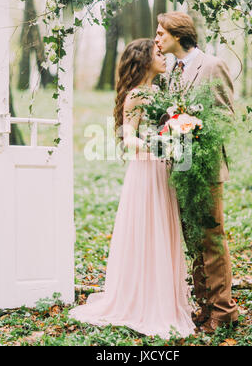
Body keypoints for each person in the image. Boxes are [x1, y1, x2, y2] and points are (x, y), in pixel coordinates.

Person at [69, 38, 196, 339]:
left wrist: (180, 134)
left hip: (163, 170)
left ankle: (163, 296)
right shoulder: (136, 95)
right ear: (142, 60)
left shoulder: (161, 91)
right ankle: (143, 301)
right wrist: (159, 145)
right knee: (147, 233)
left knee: (163, 233)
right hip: (146, 170)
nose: (162, 56)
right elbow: (128, 138)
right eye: (156, 53)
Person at [155, 11, 238, 334]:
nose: (158, 38)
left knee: (211, 237)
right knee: (192, 239)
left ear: (178, 35)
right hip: (179, 166)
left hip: (205, 166)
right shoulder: (168, 72)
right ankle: (204, 306)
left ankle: (223, 310)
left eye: (162, 33)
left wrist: (194, 128)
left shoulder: (212, 65)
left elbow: (226, 116)